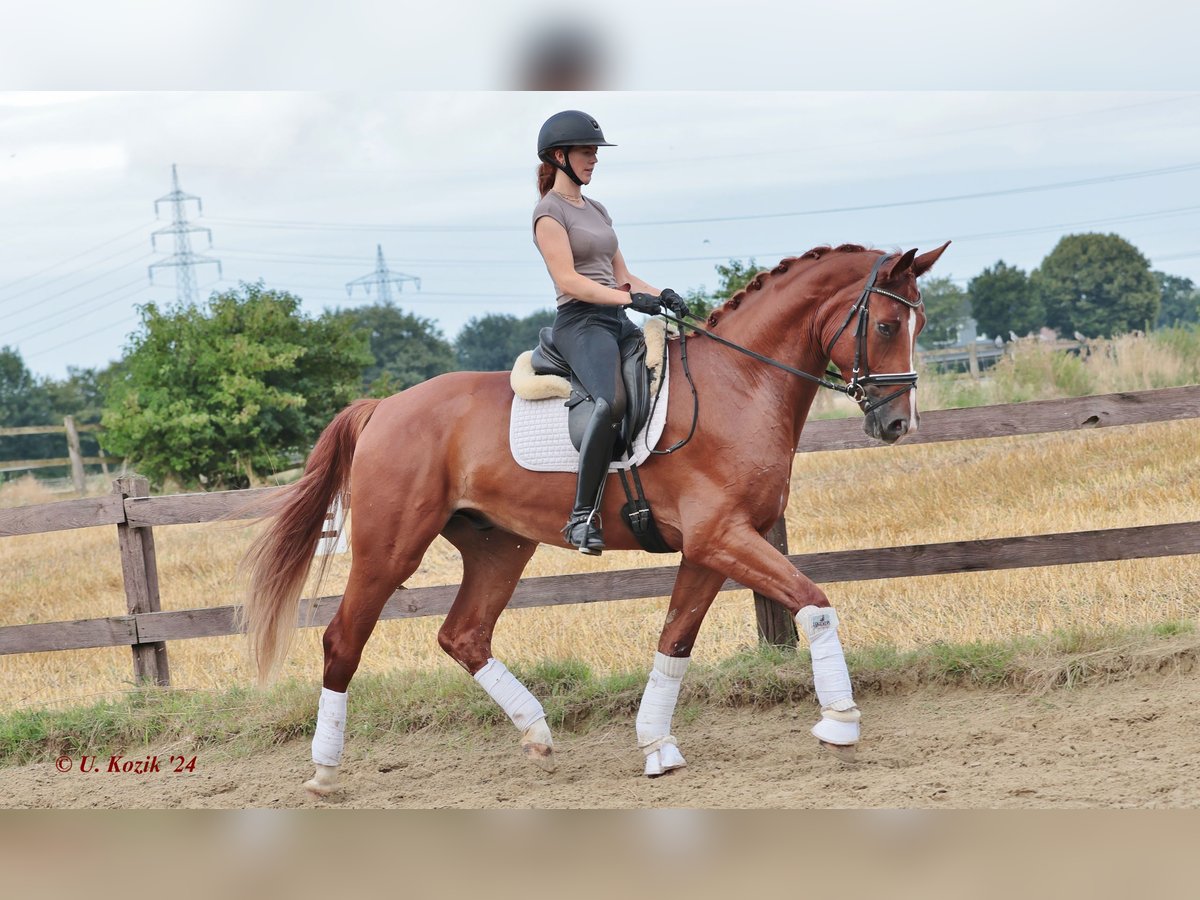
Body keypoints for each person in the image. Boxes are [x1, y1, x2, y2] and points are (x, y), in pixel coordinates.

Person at [532, 109, 688, 555]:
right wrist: (626, 299)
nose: (594, 160)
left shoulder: (597, 209)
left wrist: (662, 295)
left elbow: (622, 275)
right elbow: (569, 280)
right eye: (586, 152)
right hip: (580, 322)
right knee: (611, 400)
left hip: (616, 319)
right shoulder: (548, 213)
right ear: (559, 156)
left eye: (595, 153)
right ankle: (581, 519)